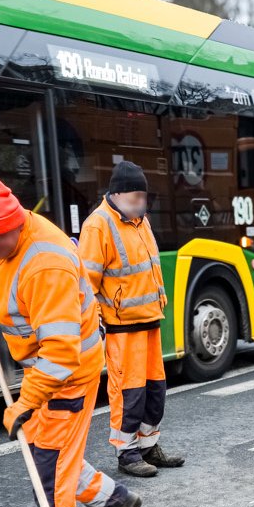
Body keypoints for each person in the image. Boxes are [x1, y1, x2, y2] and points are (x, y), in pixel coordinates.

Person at [0, 179, 143, 507]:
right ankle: (115, 502)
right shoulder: (10, 242)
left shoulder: (47, 264)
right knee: (57, 459)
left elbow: (61, 352)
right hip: (45, 371)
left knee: (49, 471)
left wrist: (27, 401)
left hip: (68, 374)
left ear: (16, 224)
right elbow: (0, 269)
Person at [78, 161, 185, 478]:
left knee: (155, 391)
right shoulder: (98, 226)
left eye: (144, 197)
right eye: (137, 196)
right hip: (123, 328)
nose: (142, 202)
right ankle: (127, 454)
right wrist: (96, 326)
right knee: (129, 394)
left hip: (149, 321)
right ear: (118, 193)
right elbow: (87, 285)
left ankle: (149, 446)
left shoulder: (140, 220)